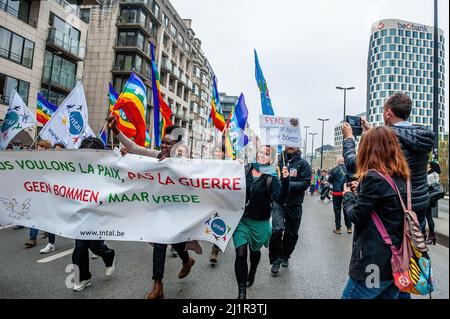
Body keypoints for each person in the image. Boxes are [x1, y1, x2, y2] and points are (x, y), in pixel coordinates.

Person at [108, 116, 195, 299]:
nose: (163, 146)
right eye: (162, 142)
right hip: (158, 209)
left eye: (168, 143)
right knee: (160, 244)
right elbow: (134, 148)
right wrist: (116, 130)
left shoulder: (183, 162)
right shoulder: (156, 156)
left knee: (177, 242)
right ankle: (158, 285)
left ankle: (186, 260)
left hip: (177, 210)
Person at [343, 93, 434, 233]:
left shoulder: (386, 138)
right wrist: (373, 131)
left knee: (393, 252)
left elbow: (352, 164)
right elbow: (399, 137)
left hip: (391, 210)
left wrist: (349, 138)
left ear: (388, 113)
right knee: (413, 251)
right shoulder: (422, 137)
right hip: (417, 209)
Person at [342, 126, 410, 299]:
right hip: (397, 261)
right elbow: (385, 206)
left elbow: (356, 216)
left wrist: (349, 197)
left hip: (373, 264)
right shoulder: (402, 177)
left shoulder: (373, 177)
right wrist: (361, 193)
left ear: (368, 150)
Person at [235, 145, 288, 299]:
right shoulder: (244, 169)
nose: (261, 155)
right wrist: (233, 165)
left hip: (260, 223)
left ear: (271, 159)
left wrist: (285, 181)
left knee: (255, 251)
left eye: (266, 154)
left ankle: (252, 271)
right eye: (259, 152)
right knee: (240, 253)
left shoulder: (271, 177)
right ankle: (242, 292)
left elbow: (280, 199)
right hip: (242, 220)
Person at [71, 137, 116, 291]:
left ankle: (109, 255)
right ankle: (83, 277)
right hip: (81, 215)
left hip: (98, 215)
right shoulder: (76, 169)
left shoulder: (107, 170)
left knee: (96, 247)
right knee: (80, 246)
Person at [268, 147, 311, 275]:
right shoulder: (278, 160)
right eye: (288, 144)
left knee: (291, 234)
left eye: (293, 144)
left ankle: (285, 255)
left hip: (294, 204)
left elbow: (305, 183)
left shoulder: (303, 164)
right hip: (279, 203)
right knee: (277, 229)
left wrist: (287, 184)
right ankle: (276, 260)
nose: (290, 146)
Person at [25, 140, 53, 248]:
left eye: (41, 146)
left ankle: (48, 230)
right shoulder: (34, 159)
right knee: (35, 214)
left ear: (46, 148)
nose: (38, 147)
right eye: (38, 146)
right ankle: (32, 238)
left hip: (48, 192)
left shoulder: (52, 161)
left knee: (49, 214)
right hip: (36, 190)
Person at [210, 142, 226, 264]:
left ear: (224, 153)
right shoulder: (208, 165)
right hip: (209, 198)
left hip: (222, 200)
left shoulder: (229, 166)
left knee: (218, 223)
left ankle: (215, 250)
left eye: (219, 151)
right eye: (215, 151)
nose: (217, 153)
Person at [328, 157, 352, 234]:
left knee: (337, 210)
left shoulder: (334, 169)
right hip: (346, 192)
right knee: (346, 209)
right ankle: (349, 227)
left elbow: (329, 180)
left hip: (336, 193)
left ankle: (338, 228)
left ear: (337, 162)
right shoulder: (348, 169)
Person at [425, 161, 441, 245]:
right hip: (431, 199)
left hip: (428, 198)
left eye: (428, 166)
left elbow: (427, 186)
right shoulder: (435, 174)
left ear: (432, 168)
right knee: (428, 217)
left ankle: (430, 236)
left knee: (427, 217)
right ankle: (431, 236)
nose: (427, 167)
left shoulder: (431, 176)